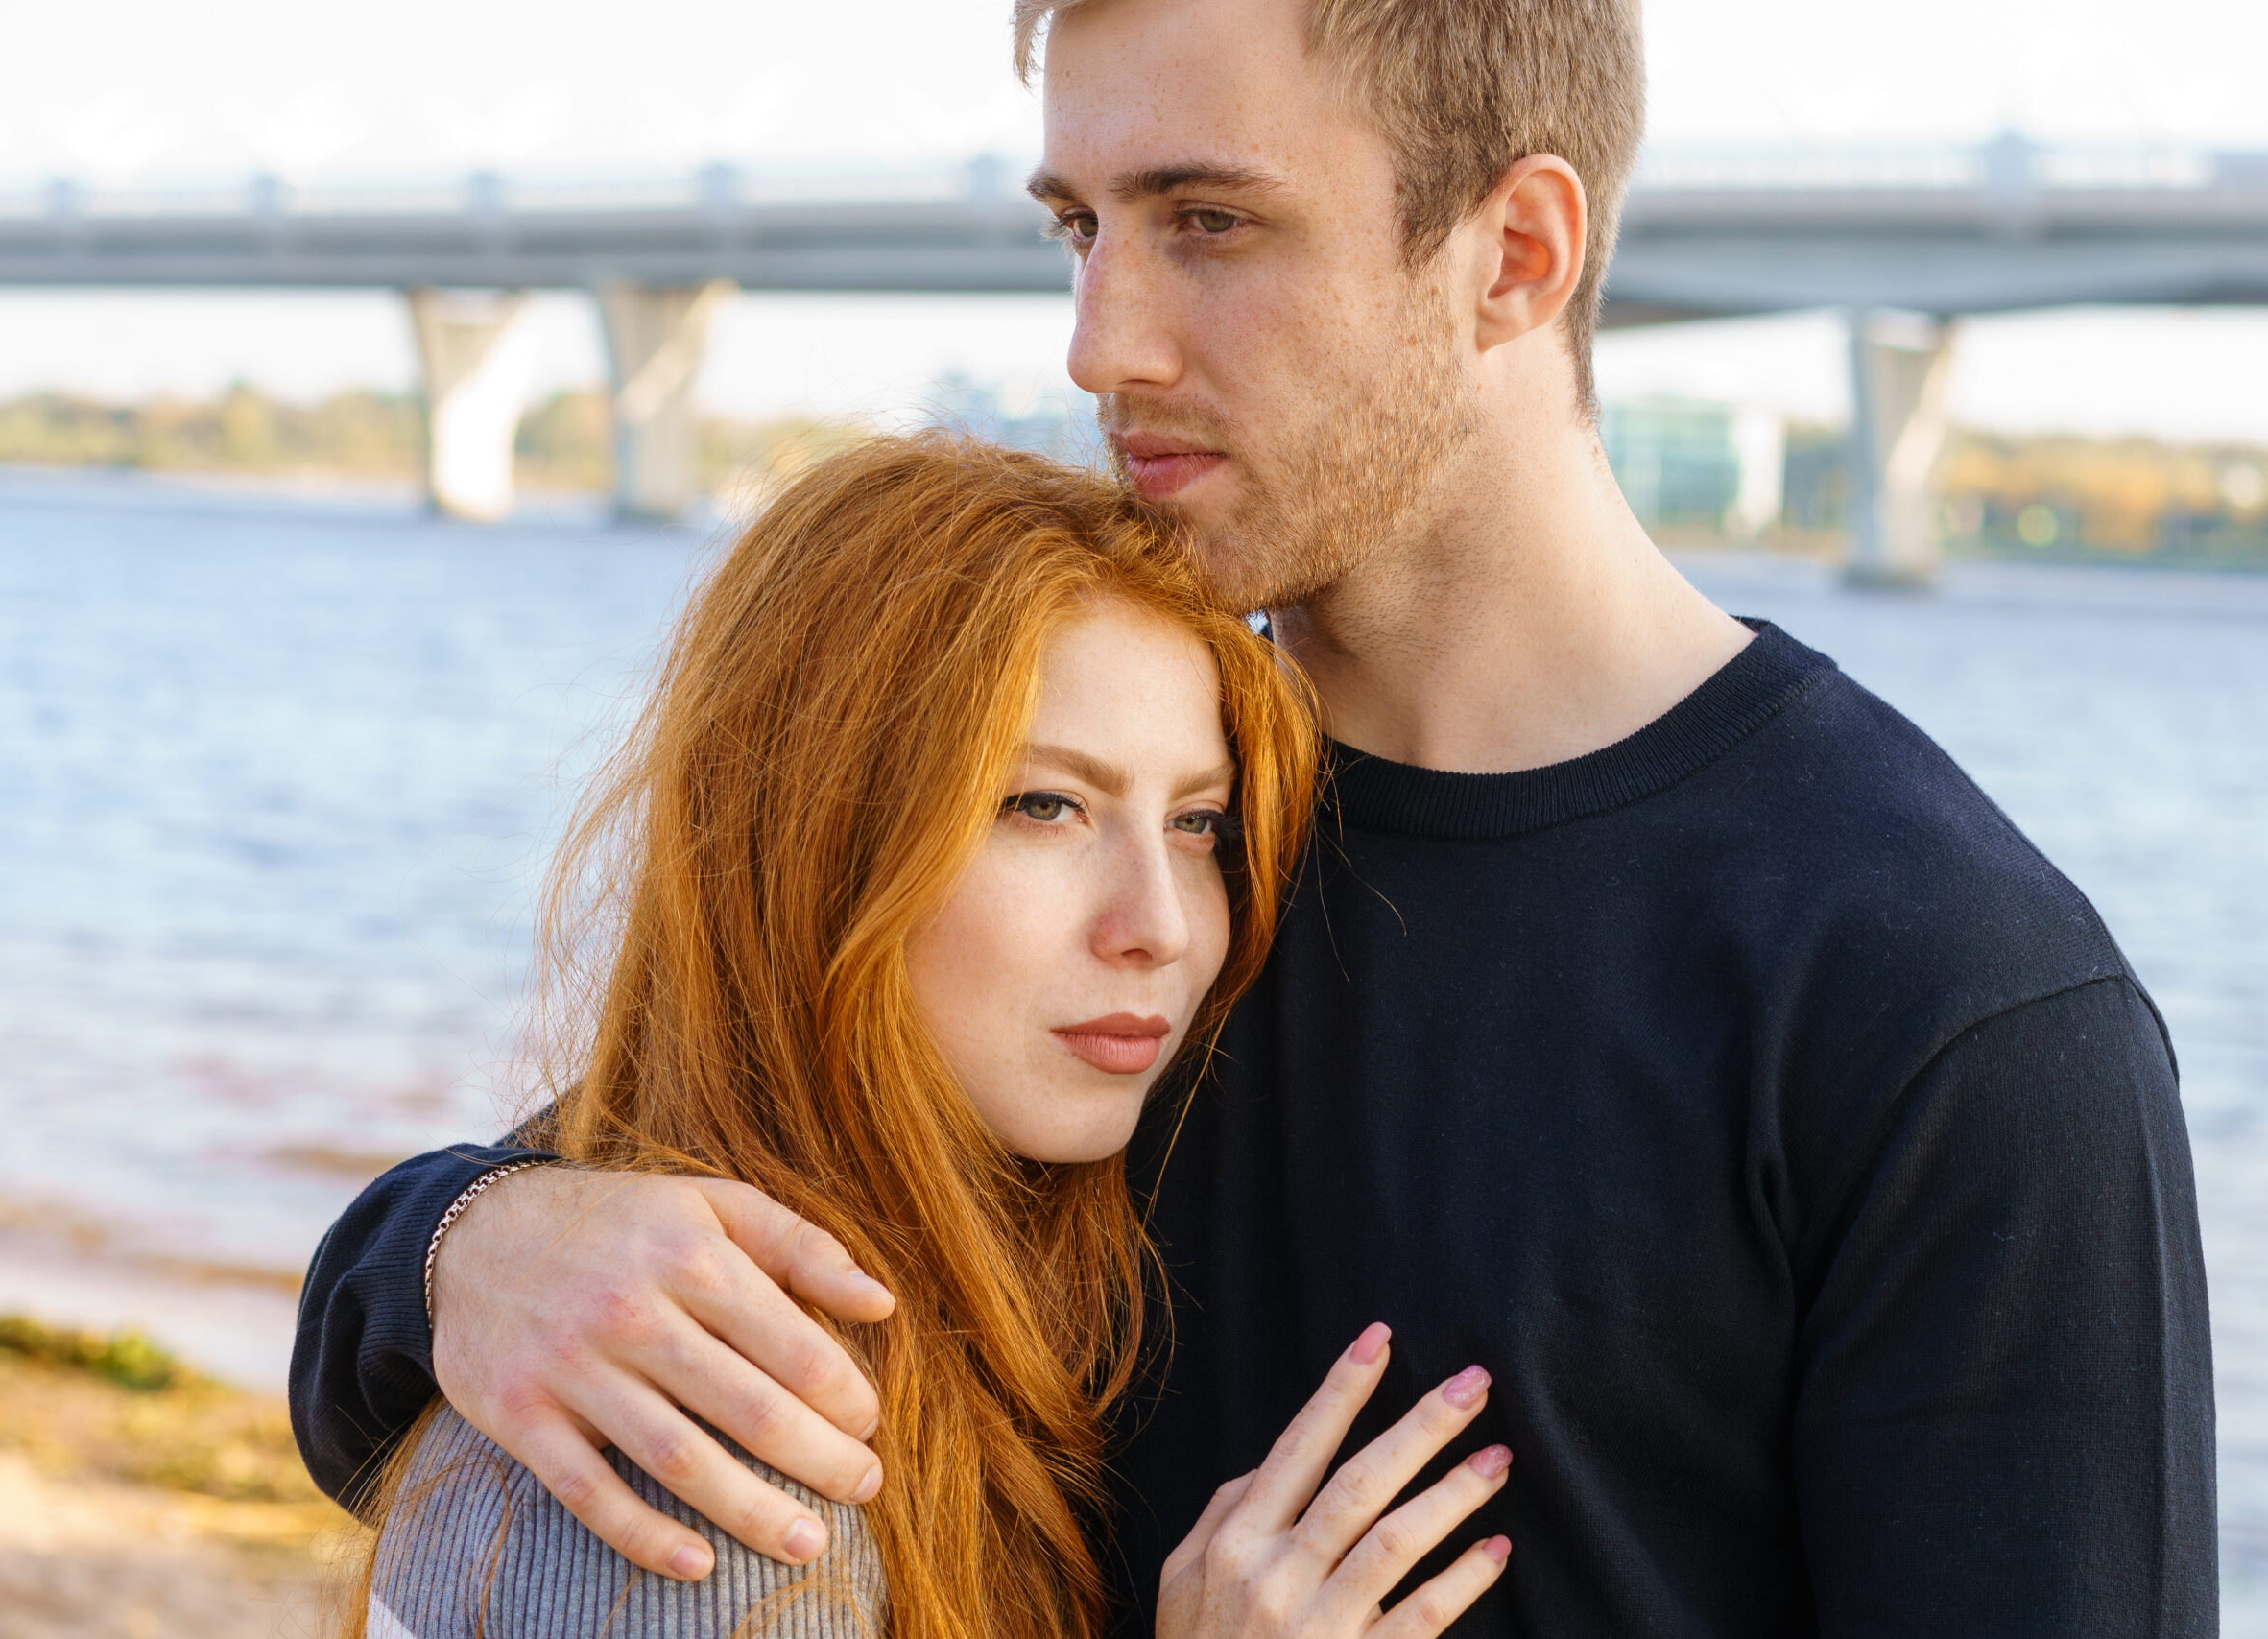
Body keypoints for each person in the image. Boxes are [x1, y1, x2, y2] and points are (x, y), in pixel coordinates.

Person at [295, 0, 2217, 1633]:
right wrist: (464, 1235)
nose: (1100, 342)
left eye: (1207, 223)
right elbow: (575, 1267)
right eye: (1077, 226)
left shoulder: (1939, 999)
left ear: (1513, 257)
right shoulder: (1110, 836)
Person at [339, 433, 1517, 1639]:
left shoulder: (974, 1279)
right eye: (1043, 805)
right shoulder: (708, 1449)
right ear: (819, 847)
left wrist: (442, 1236)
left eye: (1197, 821)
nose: (1158, 928)